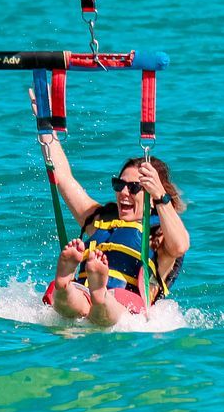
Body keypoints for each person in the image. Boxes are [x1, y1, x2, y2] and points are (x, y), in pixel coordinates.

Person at [36, 125, 189, 326]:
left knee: (106, 304)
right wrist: (46, 131)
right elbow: (63, 178)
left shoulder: (159, 235)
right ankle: (65, 282)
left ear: (152, 196)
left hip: (124, 304)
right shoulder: (98, 219)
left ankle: (100, 294)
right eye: (119, 185)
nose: (124, 192)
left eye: (134, 188)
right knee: (69, 299)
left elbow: (180, 246)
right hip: (84, 296)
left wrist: (160, 195)